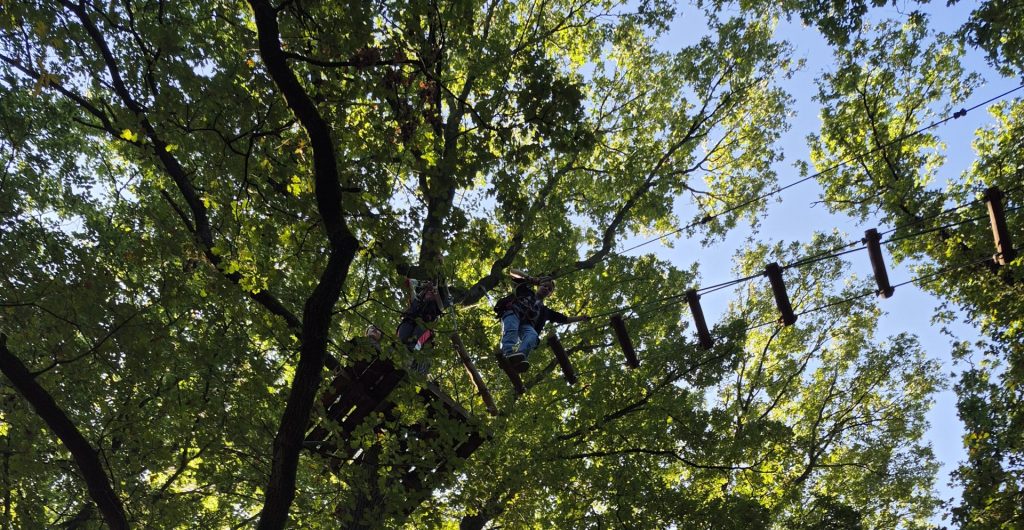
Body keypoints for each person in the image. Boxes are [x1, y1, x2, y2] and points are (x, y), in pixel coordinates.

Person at [495, 269, 589, 372]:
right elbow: (512, 271)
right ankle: (507, 353)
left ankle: (519, 358)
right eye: (544, 286)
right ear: (538, 286)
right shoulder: (525, 290)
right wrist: (529, 278)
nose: (546, 289)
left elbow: (564, 319)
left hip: (526, 324)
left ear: (550, 294)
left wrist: (581, 318)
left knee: (533, 336)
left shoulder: (545, 311)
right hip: (514, 313)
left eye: (549, 289)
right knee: (512, 330)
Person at [396, 278, 448, 375]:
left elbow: (443, 302)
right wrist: (422, 284)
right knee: (401, 340)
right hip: (409, 322)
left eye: (432, 293)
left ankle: (408, 363)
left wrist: (434, 287)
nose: (430, 293)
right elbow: (409, 283)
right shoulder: (416, 300)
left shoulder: (438, 306)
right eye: (428, 292)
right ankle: (398, 358)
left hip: (424, 326)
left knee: (414, 344)